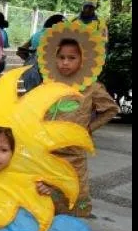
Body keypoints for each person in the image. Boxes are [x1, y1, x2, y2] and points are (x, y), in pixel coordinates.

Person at [42, 38, 119, 217]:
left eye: (72, 58)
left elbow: (110, 109)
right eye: (61, 57)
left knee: (75, 192)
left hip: (74, 154)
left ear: (83, 60)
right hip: (48, 152)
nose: (65, 62)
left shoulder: (91, 87)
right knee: (46, 193)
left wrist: (89, 128)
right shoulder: (48, 84)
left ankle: (71, 230)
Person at [18, 14, 66, 91]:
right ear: (57, 24)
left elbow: (20, 51)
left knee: (31, 95)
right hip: (45, 70)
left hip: (29, 68)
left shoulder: (36, 34)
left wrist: (30, 57)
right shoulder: (57, 35)